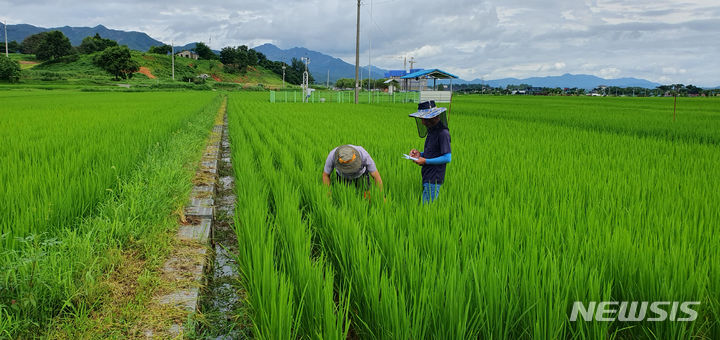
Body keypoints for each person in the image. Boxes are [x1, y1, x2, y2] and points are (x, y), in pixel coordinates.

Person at [408, 100, 451, 203]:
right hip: (427, 175)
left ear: (432, 117)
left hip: (434, 178)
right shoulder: (432, 132)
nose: (422, 122)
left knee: (427, 209)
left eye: (424, 119)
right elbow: (433, 152)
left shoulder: (443, 133)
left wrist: (425, 161)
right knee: (425, 206)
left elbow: (447, 158)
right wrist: (419, 154)